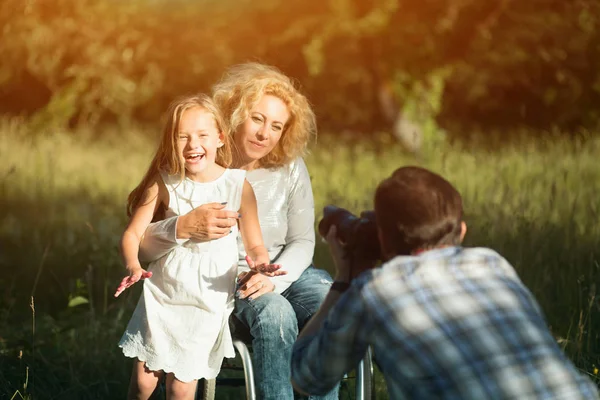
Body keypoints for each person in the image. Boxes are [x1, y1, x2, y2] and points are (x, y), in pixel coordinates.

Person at [291, 166, 600, 399]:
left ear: (383, 239)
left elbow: (305, 377)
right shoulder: (492, 263)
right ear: (462, 231)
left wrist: (344, 279)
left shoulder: (375, 290)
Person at [138, 63, 339, 400]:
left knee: (328, 300)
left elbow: (303, 240)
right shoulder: (201, 158)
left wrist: (274, 278)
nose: (265, 134)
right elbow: (142, 246)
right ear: (234, 115)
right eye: (257, 119)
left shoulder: (290, 166)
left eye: (276, 126)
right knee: (275, 312)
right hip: (225, 279)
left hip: (284, 271)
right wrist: (181, 226)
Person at [114, 94, 285, 400]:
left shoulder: (237, 185)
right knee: (143, 384)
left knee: (180, 389)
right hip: (164, 296)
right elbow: (131, 235)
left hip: (207, 300)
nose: (193, 145)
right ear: (172, 142)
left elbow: (255, 244)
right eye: (183, 137)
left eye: (202, 135)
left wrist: (261, 264)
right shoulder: (164, 183)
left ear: (220, 138)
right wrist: (133, 266)